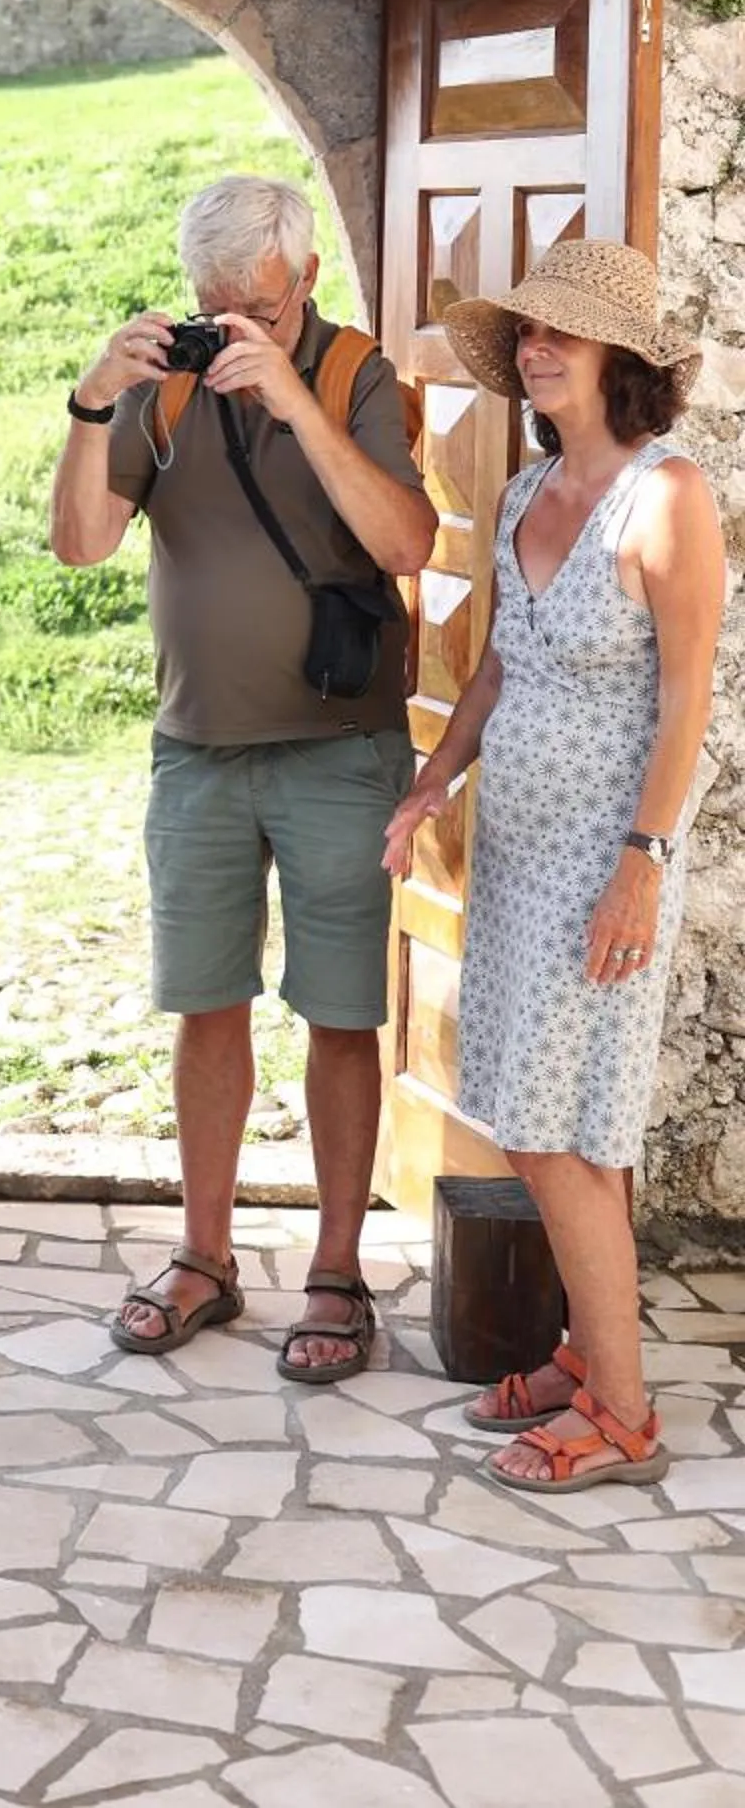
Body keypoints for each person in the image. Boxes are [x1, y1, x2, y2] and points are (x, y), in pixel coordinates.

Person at [51, 175, 436, 1379]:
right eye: (217, 309)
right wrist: (88, 403)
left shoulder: (354, 375)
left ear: (304, 280)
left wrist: (291, 400)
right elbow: (78, 545)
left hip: (336, 753)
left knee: (338, 1012)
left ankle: (334, 1272)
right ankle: (204, 1257)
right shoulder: (162, 383)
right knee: (204, 1006)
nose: (235, 331)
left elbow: (405, 542)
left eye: (258, 309)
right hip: (197, 755)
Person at [384, 241, 723, 1494]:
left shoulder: (666, 498)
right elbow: (494, 663)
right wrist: (435, 778)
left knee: (552, 1134)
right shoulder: (528, 491)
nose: (534, 350)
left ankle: (623, 1415)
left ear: (617, 360)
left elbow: (686, 697)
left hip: (605, 861)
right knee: (567, 1120)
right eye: (525, 333)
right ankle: (589, 1356)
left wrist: (641, 862)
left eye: (559, 335)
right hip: (519, 856)